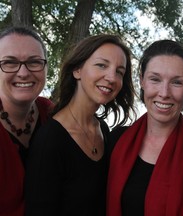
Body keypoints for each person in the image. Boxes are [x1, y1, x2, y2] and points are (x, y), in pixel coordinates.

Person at [24, 34, 136, 215]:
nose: (112, 77)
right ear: (77, 70)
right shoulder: (50, 139)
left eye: (119, 72)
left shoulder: (104, 130)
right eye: (102, 65)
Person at [107, 39, 183, 216]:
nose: (164, 93)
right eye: (155, 79)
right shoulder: (116, 140)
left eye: (177, 82)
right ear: (142, 81)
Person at [0, 26, 53, 216]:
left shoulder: (54, 115)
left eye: (34, 62)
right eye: (10, 62)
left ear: (46, 68)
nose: (23, 72)